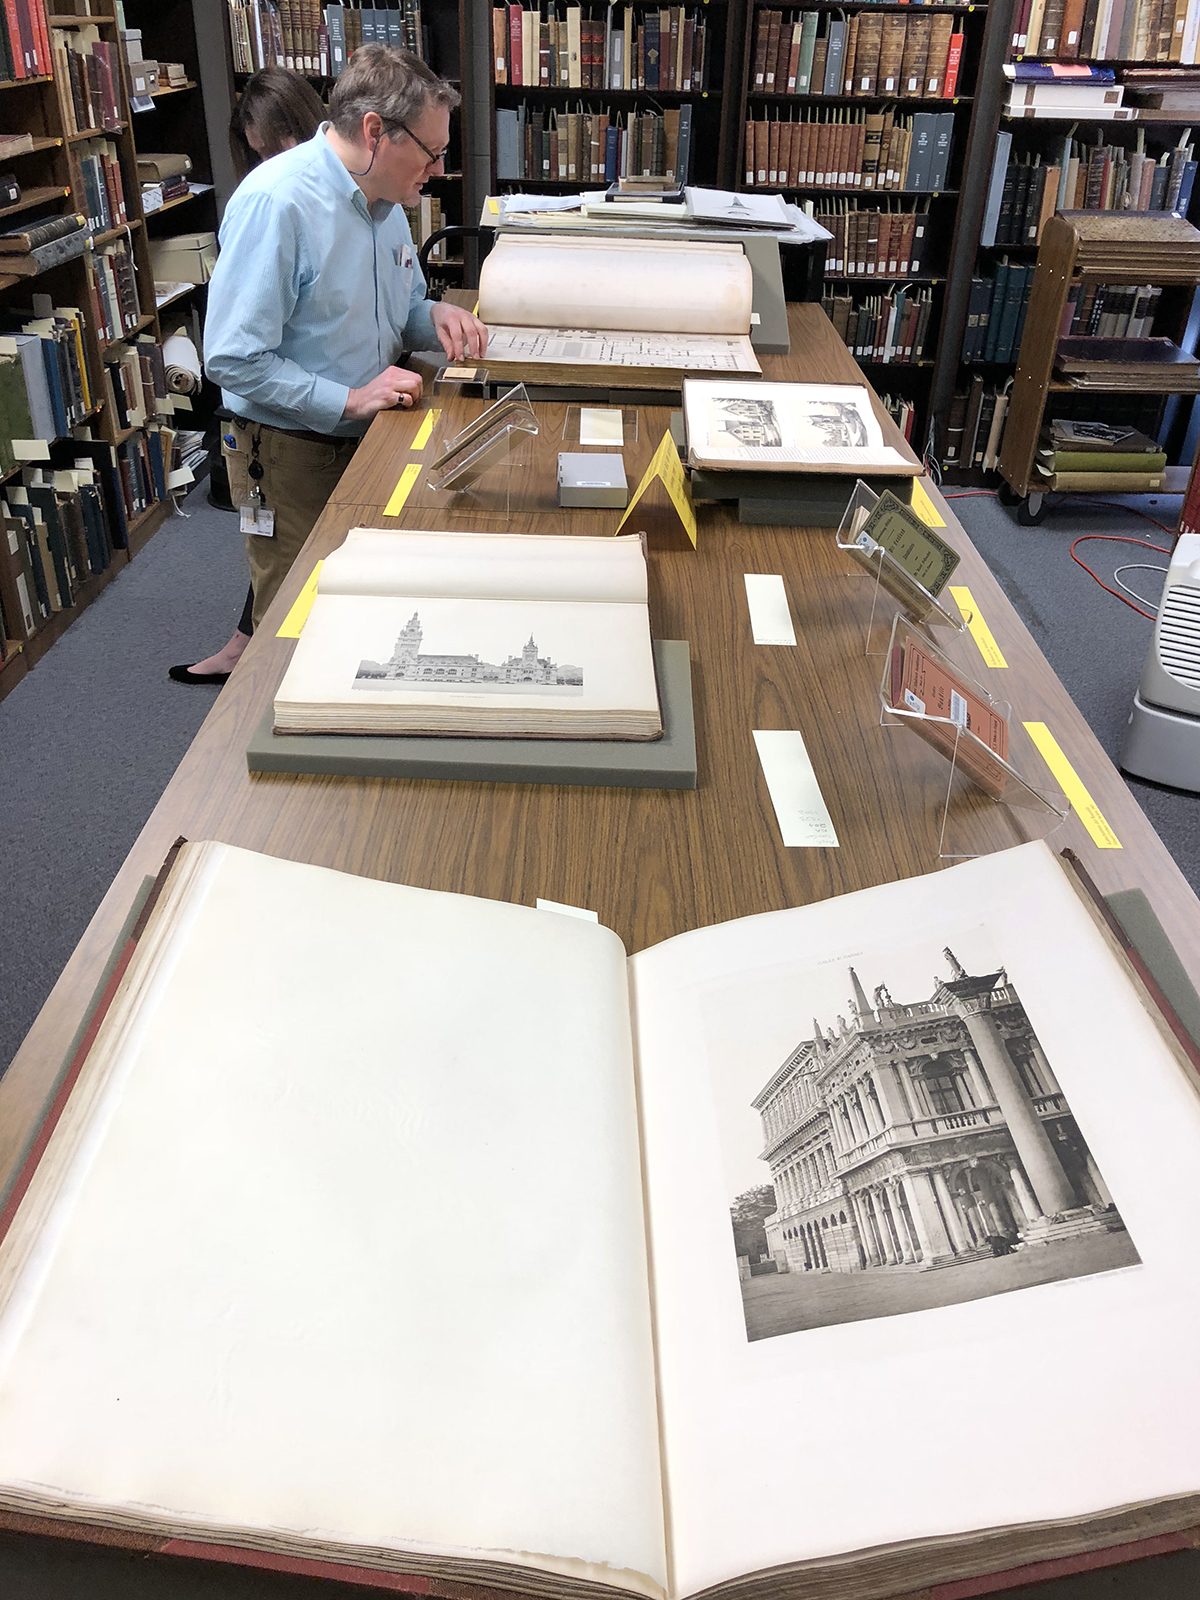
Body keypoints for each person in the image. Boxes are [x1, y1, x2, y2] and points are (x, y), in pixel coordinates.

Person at [200, 45, 487, 653]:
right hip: (291, 452)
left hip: (370, 435)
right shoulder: (277, 203)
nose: (437, 169)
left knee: (361, 622)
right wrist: (351, 397)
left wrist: (434, 316)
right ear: (376, 131)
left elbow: (399, 311)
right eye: (432, 152)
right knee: (297, 632)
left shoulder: (385, 201)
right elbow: (229, 357)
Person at [170, 67, 327, 686]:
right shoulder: (267, 200)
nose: (274, 161)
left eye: (283, 144)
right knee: (275, 548)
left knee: (282, 551)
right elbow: (234, 355)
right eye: (259, 152)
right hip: (271, 412)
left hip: (305, 405)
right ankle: (246, 655)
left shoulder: (331, 193)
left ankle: (242, 645)